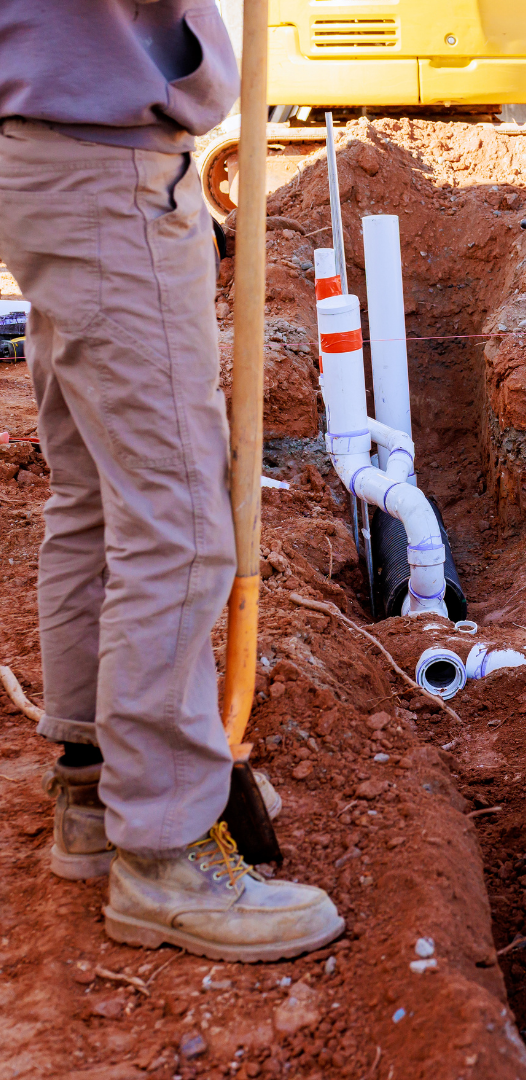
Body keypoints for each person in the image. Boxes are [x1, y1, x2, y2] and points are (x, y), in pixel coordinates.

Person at [0, 1, 342, 962]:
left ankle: (93, 785)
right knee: (181, 518)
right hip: (106, 175)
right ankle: (164, 850)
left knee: (102, 497)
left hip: (55, 157)